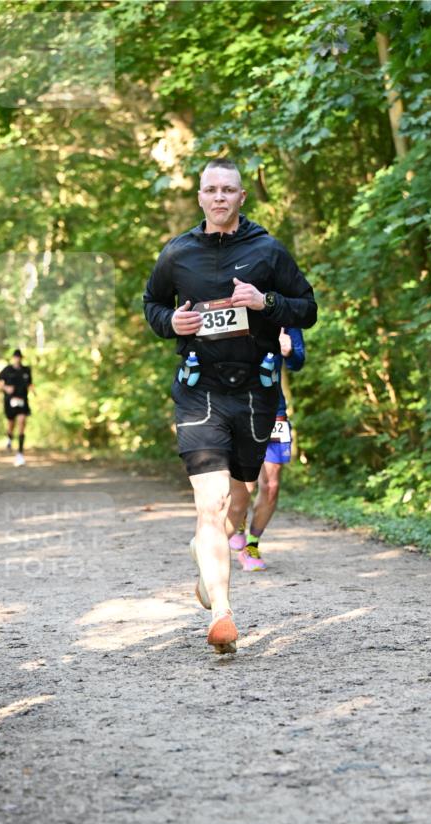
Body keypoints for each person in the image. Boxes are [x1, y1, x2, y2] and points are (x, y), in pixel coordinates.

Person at [143, 158, 317, 653]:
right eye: (211, 190)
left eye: (228, 190)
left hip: (255, 394)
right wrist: (168, 323)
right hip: (200, 392)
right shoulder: (178, 253)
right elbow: (152, 303)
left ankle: (207, 558)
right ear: (199, 197)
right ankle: (222, 613)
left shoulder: (268, 250)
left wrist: (267, 303)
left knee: (236, 498)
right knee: (211, 501)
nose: (219, 198)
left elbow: (308, 307)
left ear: (242, 197)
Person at [231, 326, 305, 570]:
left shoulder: (285, 313)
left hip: (274, 410)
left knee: (271, 485)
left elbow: (297, 362)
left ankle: (252, 546)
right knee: (246, 482)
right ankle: (237, 523)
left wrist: (289, 349)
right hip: (239, 407)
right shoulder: (233, 303)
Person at [0, 350, 33, 467]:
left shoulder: (26, 370)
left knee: (22, 422)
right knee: (11, 424)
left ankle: (20, 453)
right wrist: (6, 388)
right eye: (16, 357)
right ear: (13, 358)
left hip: (23, 400)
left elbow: (30, 383)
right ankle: (9, 438)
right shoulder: (7, 370)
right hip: (10, 401)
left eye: (19, 357)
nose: (18, 359)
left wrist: (33, 390)